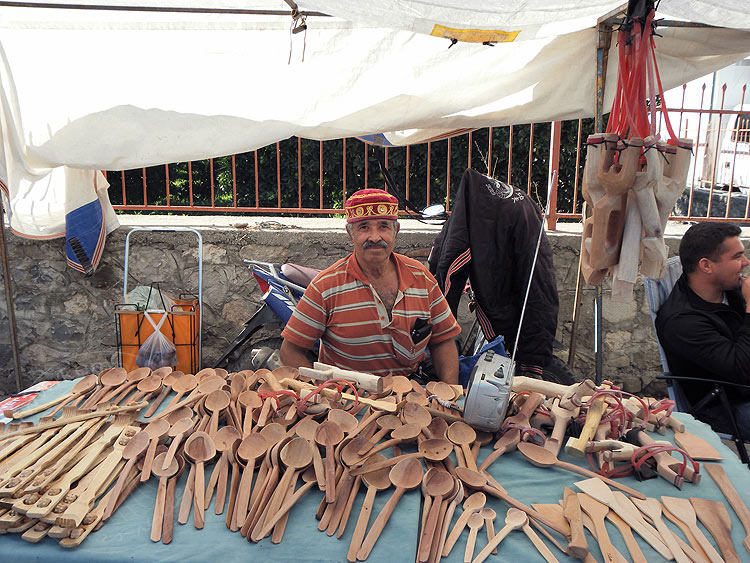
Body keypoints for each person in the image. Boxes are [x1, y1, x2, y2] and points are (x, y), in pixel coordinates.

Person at [280, 188, 461, 384]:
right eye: (364, 228)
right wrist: (323, 393)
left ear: (396, 231)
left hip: (409, 397)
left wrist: (449, 396)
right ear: (350, 234)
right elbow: (290, 352)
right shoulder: (326, 286)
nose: (375, 237)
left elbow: (443, 340)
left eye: (383, 227)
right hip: (349, 402)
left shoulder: (420, 276)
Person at [655, 222, 750, 435]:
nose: (745, 262)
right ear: (706, 266)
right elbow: (742, 371)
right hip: (729, 407)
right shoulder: (683, 322)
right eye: (737, 257)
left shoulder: (727, 289)